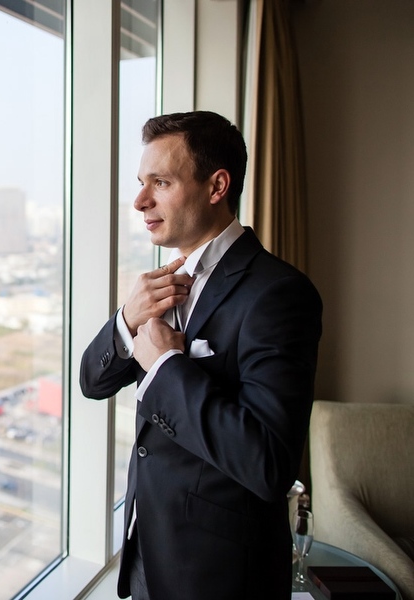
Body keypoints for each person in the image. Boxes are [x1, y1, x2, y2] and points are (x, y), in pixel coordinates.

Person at [80, 111, 322, 600]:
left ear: (217, 186)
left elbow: (270, 464)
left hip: (221, 574)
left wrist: (168, 368)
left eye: (161, 183)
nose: (140, 201)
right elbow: (93, 382)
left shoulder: (278, 294)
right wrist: (127, 319)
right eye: (141, 183)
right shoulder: (163, 283)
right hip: (148, 555)